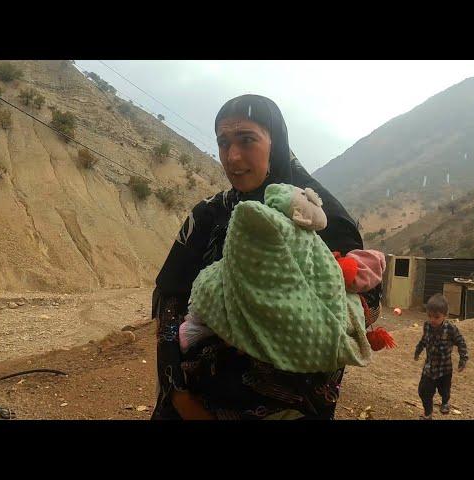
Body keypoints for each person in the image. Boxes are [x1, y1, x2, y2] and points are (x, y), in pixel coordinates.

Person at [151, 94, 380, 420]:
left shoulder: (319, 215)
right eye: (223, 142)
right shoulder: (208, 216)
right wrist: (178, 393)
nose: (232, 156)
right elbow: (170, 301)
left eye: (247, 140)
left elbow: (363, 304)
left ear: (276, 143)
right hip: (198, 406)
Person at [415, 293, 468, 419]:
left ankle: (445, 402)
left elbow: (461, 342)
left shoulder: (450, 329)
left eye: (437, 317)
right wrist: (418, 350)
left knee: (444, 391)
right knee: (423, 391)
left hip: (444, 369)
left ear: (445, 315)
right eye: (430, 316)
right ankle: (428, 414)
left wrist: (463, 359)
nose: (432, 320)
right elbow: (424, 339)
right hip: (429, 368)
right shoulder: (427, 326)